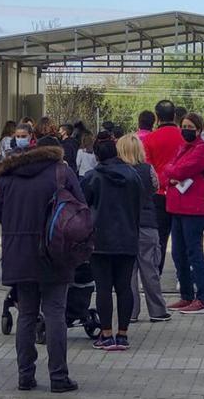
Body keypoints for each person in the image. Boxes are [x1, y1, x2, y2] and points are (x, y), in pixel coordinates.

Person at [0, 137, 81, 393]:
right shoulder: (62, 172)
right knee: (55, 314)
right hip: (55, 251)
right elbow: (80, 208)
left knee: (27, 315)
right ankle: (58, 377)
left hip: (18, 253)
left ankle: (25, 376)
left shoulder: (8, 176)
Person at [81, 132, 142, 351]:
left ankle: (106, 334)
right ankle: (123, 334)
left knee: (104, 288)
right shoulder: (133, 175)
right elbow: (139, 203)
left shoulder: (92, 177)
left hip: (100, 240)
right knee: (124, 287)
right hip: (128, 238)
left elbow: (82, 204)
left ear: (97, 156)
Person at [163, 113, 204, 315]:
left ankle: (202, 299)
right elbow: (169, 171)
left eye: (190, 126)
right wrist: (172, 172)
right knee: (178, 253)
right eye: (183, 126)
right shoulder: (182, 148)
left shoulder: (202, 150)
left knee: (194, 253)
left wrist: (172, 172)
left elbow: (176, 171)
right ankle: (186, 295)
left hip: (194, 209)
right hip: (177, 207)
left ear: (199, 130)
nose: (185, 130)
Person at [119, 134, 169, 324]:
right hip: (147, 223)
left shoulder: (119, 171)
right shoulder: (148, 170)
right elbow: (155, 187)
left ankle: (130, 311)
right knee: (150, 269)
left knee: (128, 272)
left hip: (125, 226)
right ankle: (157, 310)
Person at [143, 100, 185, 270]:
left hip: (159, 194)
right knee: (182, 239)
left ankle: (155, 275)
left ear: (157, 117)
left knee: (159, 239)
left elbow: (147, 168)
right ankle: (182, 278)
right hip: (182, 192)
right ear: (174, 116)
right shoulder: (184, 137)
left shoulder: (150, 139)